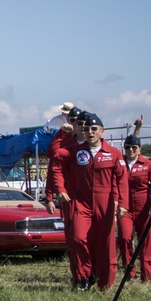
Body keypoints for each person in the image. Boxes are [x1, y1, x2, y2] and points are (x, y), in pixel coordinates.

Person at [66, 114, 128, 291]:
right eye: (87, 129)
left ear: (102, 132)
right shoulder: (75, 151)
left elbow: (122, 179)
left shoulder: (114, 153)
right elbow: (57, 163)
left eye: (94, 129)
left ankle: (105, 283)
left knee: (106, 244)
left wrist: (122, 203)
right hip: (82, 202)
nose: (90, 132)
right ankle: (85, 275)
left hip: (105, 202)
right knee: (77, 238)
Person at [46, 106, 89, 288]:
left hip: (91, 197)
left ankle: (91, 272)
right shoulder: (64, 141)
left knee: (91, 239)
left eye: (79, 123)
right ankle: (79, 275)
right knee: (73, 239)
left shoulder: (92, 143)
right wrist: (49, 197)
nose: (76, 126)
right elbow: (53, 166)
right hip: (69, 198)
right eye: (72, 121)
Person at [117, 135, 151, 282]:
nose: (130, 150)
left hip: (144, 208)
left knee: (146, 241)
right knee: (124, 238)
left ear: (139, 149)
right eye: (128, 147)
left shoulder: (148, 164)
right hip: (125, 208)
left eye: (134, 147)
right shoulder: (120, 163)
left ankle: (147, 275)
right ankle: (129, 272)